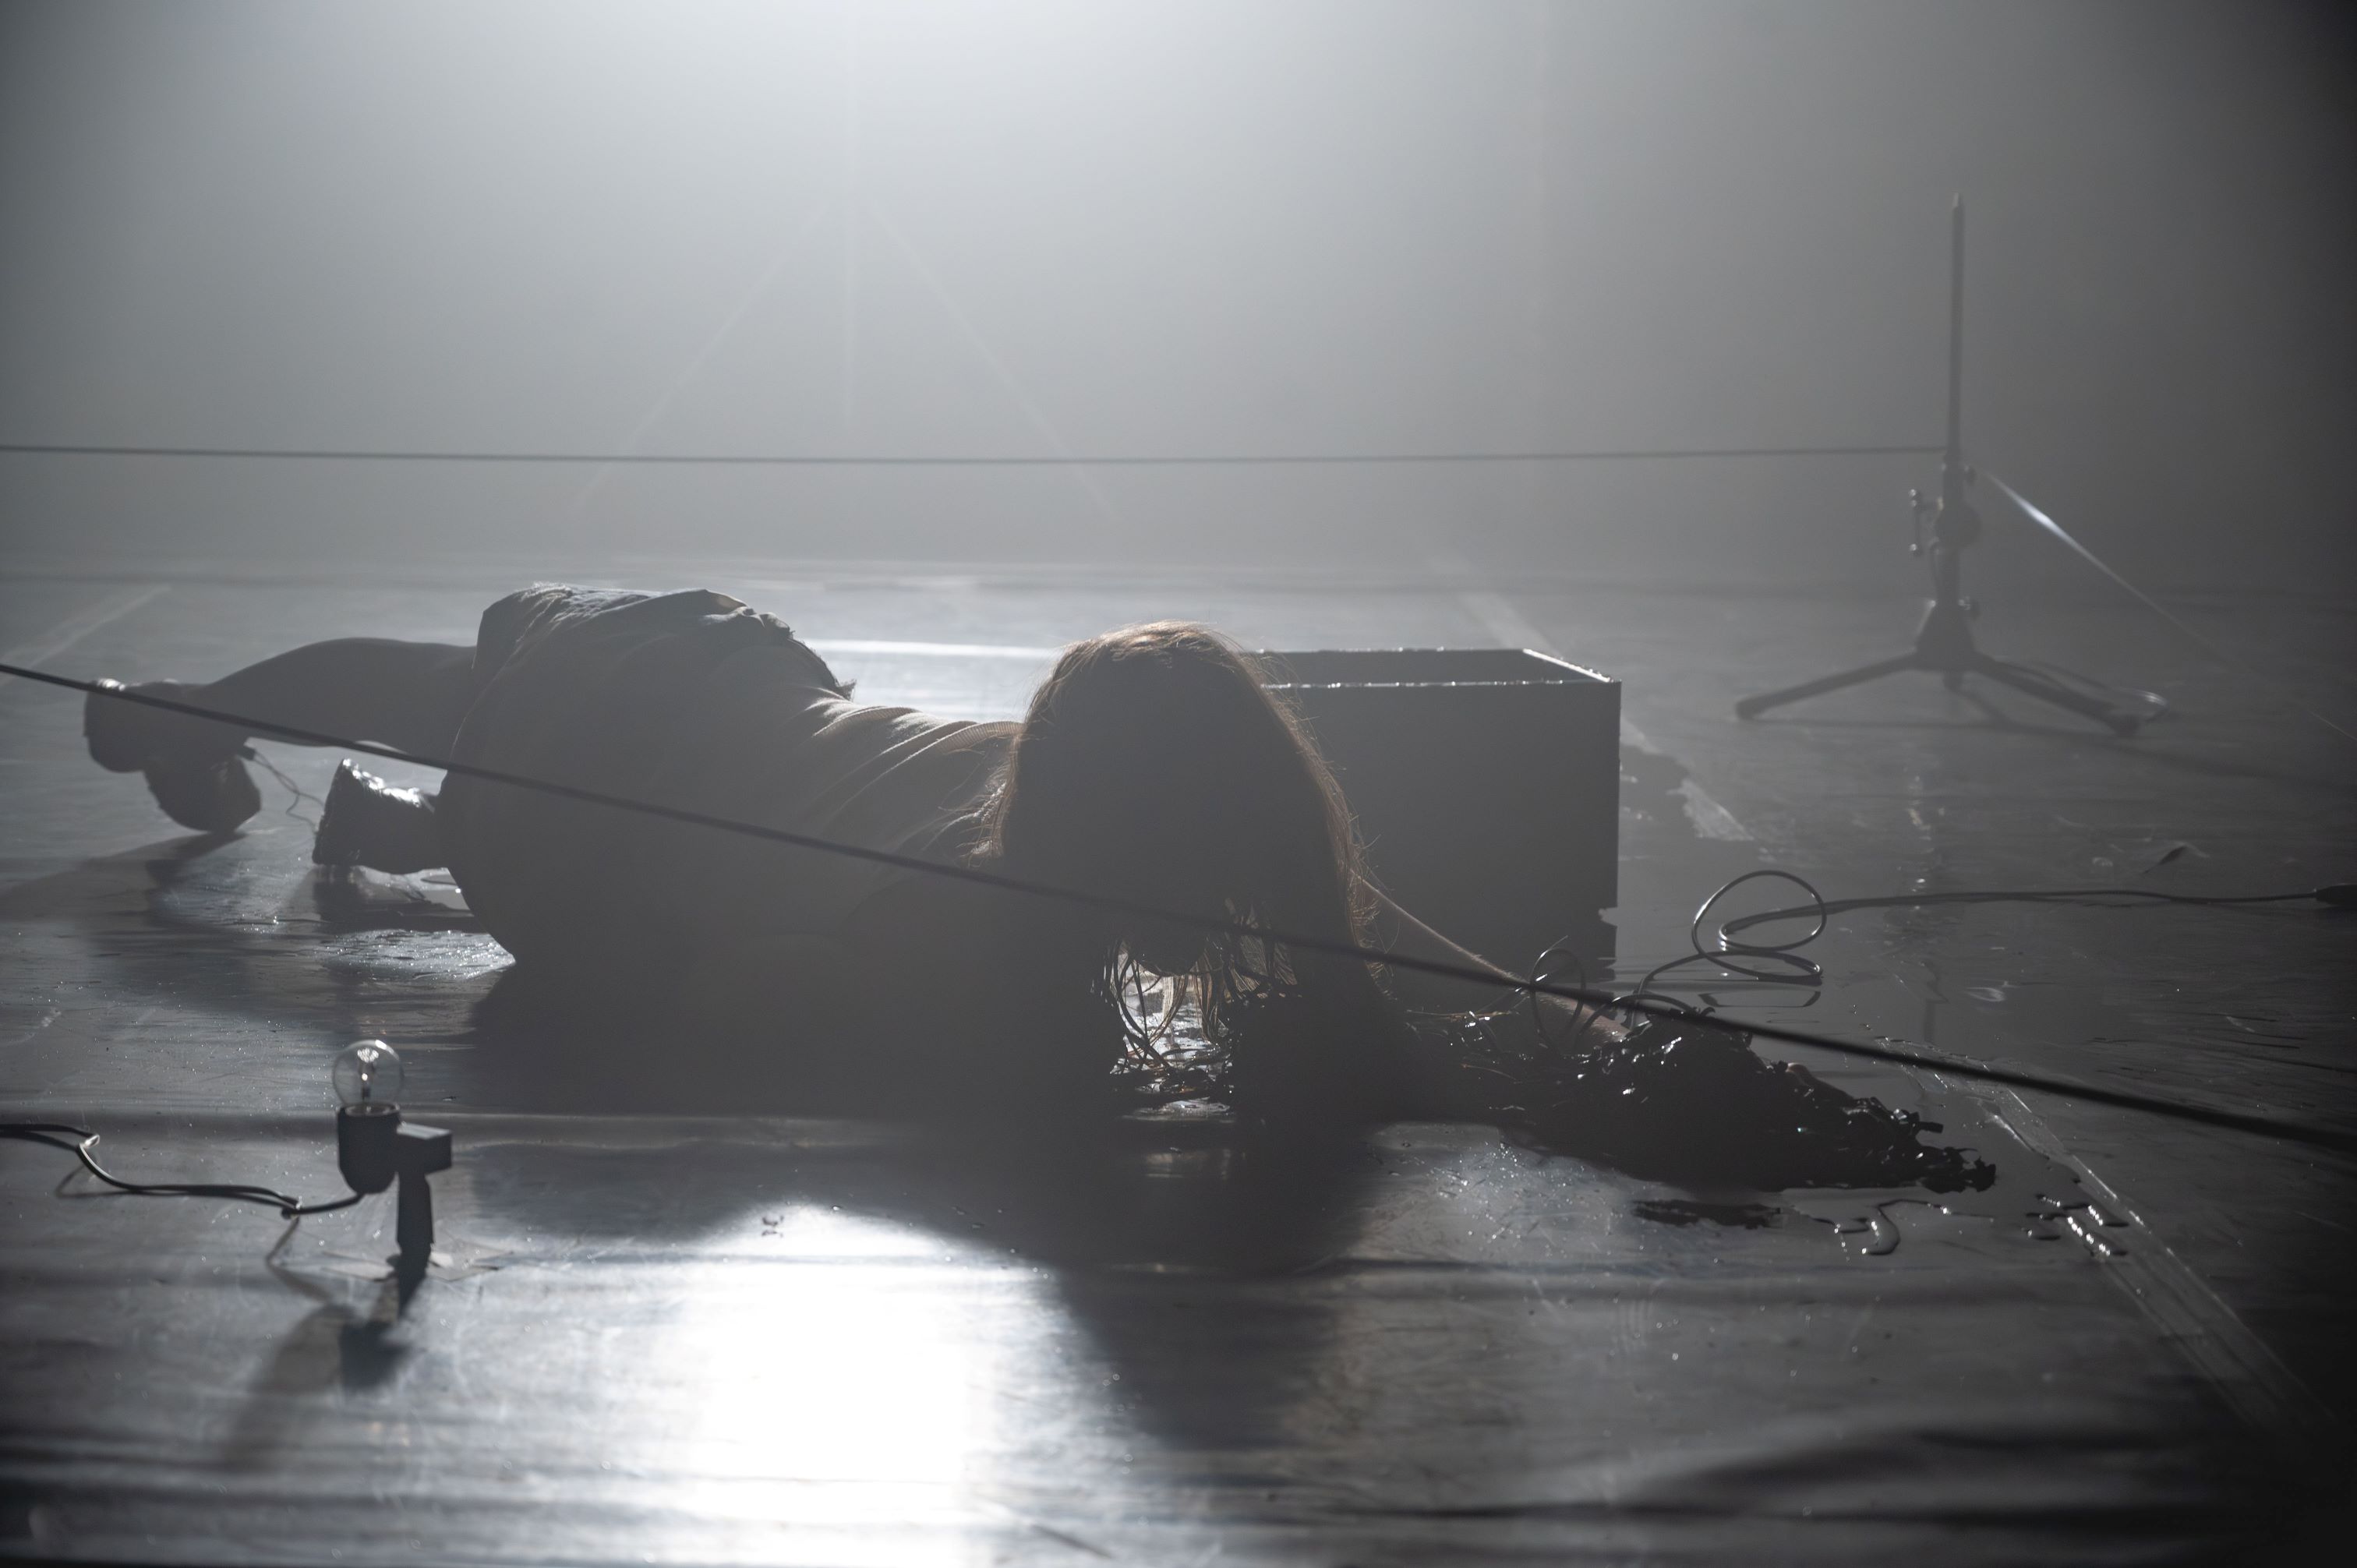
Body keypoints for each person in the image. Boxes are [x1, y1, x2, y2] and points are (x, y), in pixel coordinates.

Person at [83, 584, 1592, 1118]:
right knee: (452, 709)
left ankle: (207, 728)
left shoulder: (1120, 787)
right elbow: (723, 986)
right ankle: (184, 724)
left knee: (427, 691)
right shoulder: (958, 926)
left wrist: (1569, 1033)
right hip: (585, 804)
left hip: (730, 683)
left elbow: (1391, 952)